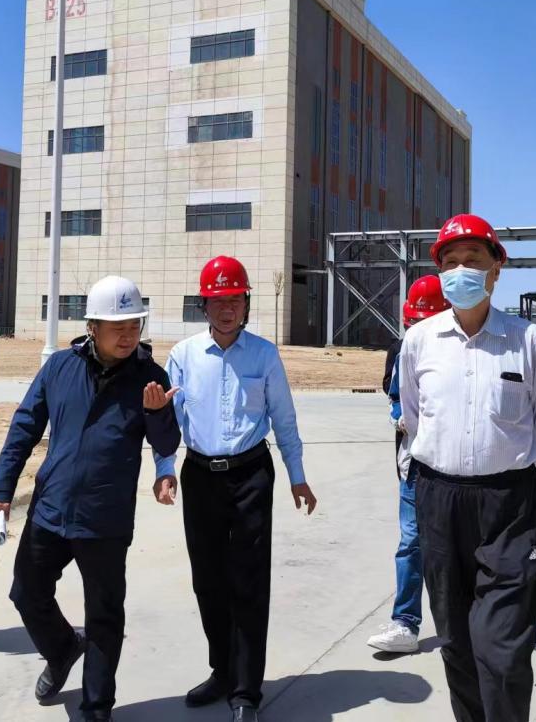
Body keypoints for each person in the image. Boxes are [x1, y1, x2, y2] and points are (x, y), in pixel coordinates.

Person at [0, 276, 180, 722]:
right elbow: (24, 428)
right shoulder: (59, 367)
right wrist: (1, 490)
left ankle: (96, 707)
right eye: (118, 327)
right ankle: (61, 649)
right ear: (92, 327)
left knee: (104, 616)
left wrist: (158, 414)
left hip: (105, 517)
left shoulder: (151, 377)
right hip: (51, 508)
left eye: (134, 325)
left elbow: (167, 443)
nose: (128, 335)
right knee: (27, 592)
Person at [400, 214, 536, 722]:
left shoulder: (525, 339)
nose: (460, 272)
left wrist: (502, 468)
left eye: (472, 260)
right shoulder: (419, 341)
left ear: (496, 269)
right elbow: (414, 419)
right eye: (450, 263)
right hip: (439, 501)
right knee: (455, 640)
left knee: (504, 647)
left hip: (508, 507)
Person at [158, 255, 317, 722]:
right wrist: (165, 468)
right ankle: (222, 671)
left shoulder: (264, 355)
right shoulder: (183, 356)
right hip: (200, 476)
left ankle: (246, 690)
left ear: (246, 303)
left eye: (235, 300)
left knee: (247, 582)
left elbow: (283, 418)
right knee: (207, 581)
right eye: (217, 301)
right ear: (203, 305)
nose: (227, 309)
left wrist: (297, 475)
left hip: (250, 475)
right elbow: (168, 421)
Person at [367, 275, 451, 654]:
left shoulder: (455, 354)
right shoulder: (400, 350)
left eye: (424, 322)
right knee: (411, 543)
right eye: (413, 323)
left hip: (452, 468)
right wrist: (399, 414)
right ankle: (405, 623)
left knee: (455, 545)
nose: (417, 330)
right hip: (413, 465)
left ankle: (464, 623)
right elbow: (393, 392)